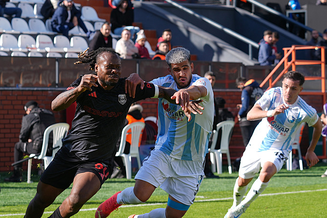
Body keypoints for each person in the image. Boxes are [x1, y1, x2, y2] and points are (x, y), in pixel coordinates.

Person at [24, 47, 190, 218]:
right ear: (96, 68)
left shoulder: (128, 87)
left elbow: (163, 91)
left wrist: (185, 96)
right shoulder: (85, 84)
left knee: (75, 201)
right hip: (70, 153)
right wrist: (78, 89)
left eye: (117, 67)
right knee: (42, 200)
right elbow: (56, 105)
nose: (114, 71)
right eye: (109, 67)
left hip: (98, 161)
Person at [95, 47, 214, 218]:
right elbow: (142, 87)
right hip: (164, 152)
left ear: (192, 67)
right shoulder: (163, 83)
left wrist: (185, 94)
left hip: (192, 162)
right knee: (140, 195)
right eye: (176, 69)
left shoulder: (203, 83)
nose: (182, 73)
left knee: (172, 216)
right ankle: (115, 201)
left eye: (185, 68)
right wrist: (135, 78)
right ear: (169, 70)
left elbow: (199, 91)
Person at [224, 71, 322, 218]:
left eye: (293, 88)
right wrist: (271, 112)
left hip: (279, 148)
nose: (288, 91)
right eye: (286, 86)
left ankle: (244, 206)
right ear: (282, 84)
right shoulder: (273, 94)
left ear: (300, 90)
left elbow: (318, 126)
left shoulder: (306, 110)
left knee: (266, 173)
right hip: (257, 144)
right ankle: (235, 205)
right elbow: (250, 114)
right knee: (243, 180)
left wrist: (311, 150)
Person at [5, 101, 56, 182]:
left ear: (28, 110)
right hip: (53, 148)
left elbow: (22, 137)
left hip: (38, 148)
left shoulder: (29, 117)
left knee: (18, 146)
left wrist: (27, 140)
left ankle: (17, 175)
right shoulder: (50, 114)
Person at [112, 103, 145, 179]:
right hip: (135, 146)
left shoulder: (127, 117)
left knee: (109, 149)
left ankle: (119, 171)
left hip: (125, 146)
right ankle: (121, 171)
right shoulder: (141, 118)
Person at [236, 77, 263, 147]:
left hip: (247, 120)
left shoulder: (246, 90)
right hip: (258, 118)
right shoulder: (259, 89)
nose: (240, 89)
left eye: (240, 88)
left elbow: (245, 107)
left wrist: (239, 114)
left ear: (241, 84)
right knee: (257, 143)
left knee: (248, 144)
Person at [203, 71, 219, 179]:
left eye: (213, 79)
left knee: (205, 150)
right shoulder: (201, 91)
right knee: (202, 150)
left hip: (210, 127)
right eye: (209, 79)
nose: (211, 81)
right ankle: (205, 171)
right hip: (202, 126)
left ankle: (206, 171)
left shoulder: (212, 93)